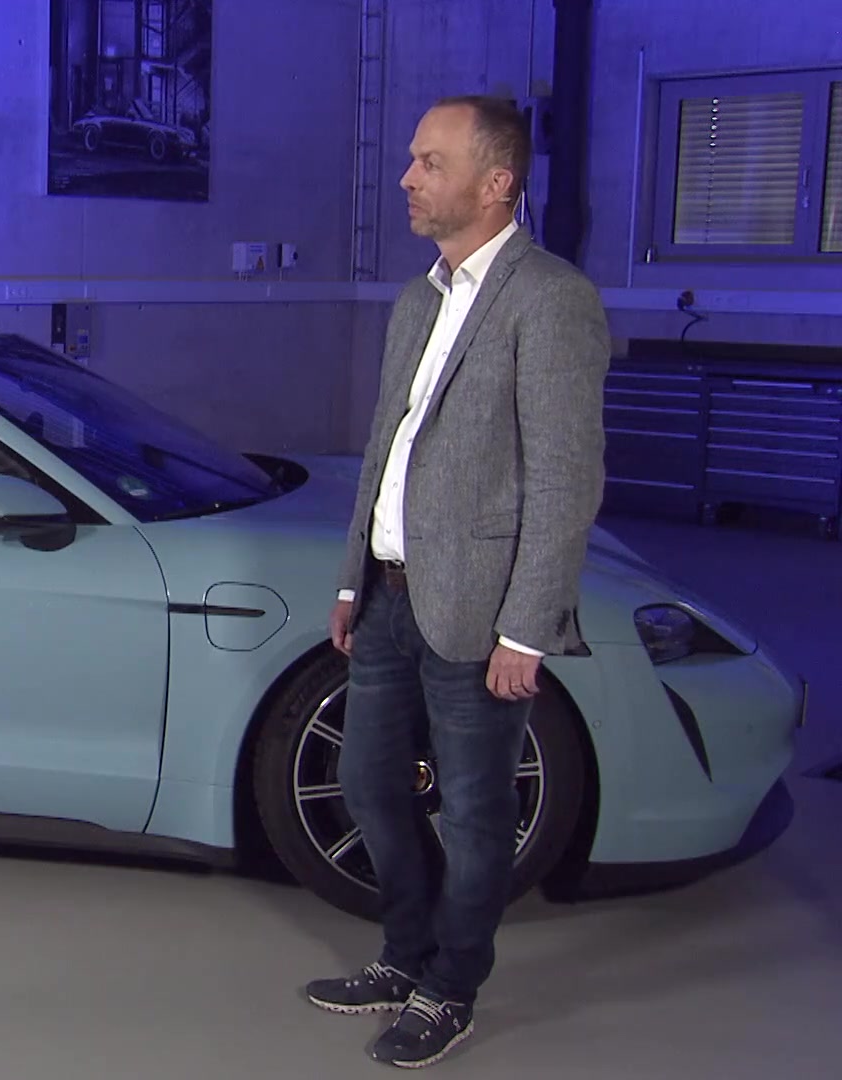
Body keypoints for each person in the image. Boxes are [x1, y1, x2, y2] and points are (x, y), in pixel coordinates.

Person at [305, 95, 609, 1067]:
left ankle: (450, 987)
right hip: (388, 597)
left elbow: (565, 479)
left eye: (429, 162)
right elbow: (386, 450)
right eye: (410, 159)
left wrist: (528, 627)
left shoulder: (550, 299)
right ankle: (404, 955)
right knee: (369, 786)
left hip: (480, 615)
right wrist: (351, 578)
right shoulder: (416, 300)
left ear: (496, 183)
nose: (406, 177)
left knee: (475, 815)